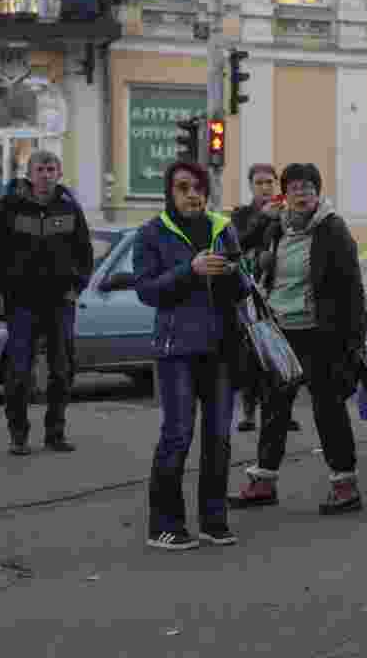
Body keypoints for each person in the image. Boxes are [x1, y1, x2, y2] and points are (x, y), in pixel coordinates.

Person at [229, 163, 367, 515]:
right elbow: (235, 244)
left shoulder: (332, 229)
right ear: (284, 194)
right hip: (279, 330)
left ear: (317, 193)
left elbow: (351, 289)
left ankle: (345, 484)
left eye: (308, 188)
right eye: (294, 188)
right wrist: (262, 220)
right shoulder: (276, 227)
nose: (301, 195)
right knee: (274, 407)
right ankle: (263, 482)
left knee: (327, 408)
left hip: (320, 333)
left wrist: (353, 342)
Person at [134, 160, 249, 550]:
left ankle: (213, 520)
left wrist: (232, 272)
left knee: (219, 438)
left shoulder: (222, 228)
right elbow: (147, 290)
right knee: (178, 434)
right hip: (177, 350)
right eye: (183, 187)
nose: (192, 194)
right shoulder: (152, 233)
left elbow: (244, 285)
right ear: (170, 193)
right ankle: (164, 524)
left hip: (221, 348)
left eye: (198, 187)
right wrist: (191, 269)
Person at [0, 151, 93, 456]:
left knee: (62, 369)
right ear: (29, 174)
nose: (46, 175)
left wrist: (76, 287)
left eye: (51, 169)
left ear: (59, 173)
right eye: (40, 169)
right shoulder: (10, 207)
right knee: (18, 371)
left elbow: (84, 253)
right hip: (21, 302)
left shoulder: (70, 208)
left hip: (59, 301)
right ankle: (18, 435)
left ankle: (55, 433)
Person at [231, 163, 294, 433]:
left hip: (279, 288)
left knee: (280, 353)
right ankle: (247, 412)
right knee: (251, 353)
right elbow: (237, 244)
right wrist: (263, 219)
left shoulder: (287, 212)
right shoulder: (242, 214)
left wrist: (280, 218)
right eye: (260, 183)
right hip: (249, 290)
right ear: (251, 186)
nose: (266, 187)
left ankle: (282, 412)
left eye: (270, 182)